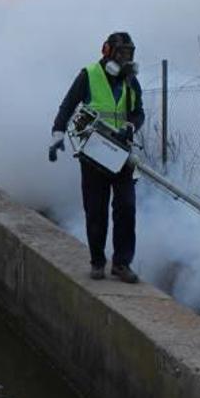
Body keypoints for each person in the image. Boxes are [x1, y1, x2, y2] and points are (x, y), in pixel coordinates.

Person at [49, 32, 145, 283]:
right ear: (107, 51)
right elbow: (67, 106)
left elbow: (138, 113)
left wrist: (131, 127)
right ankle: (97, 262)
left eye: (129, 54)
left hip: (121, 153)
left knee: (126, 207)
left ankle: (122, 264)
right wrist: (57, 135)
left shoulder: (130, 81)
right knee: (96, 210)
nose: (125, 59)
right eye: (121, 53)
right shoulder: (89, 75)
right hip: (94, 154)